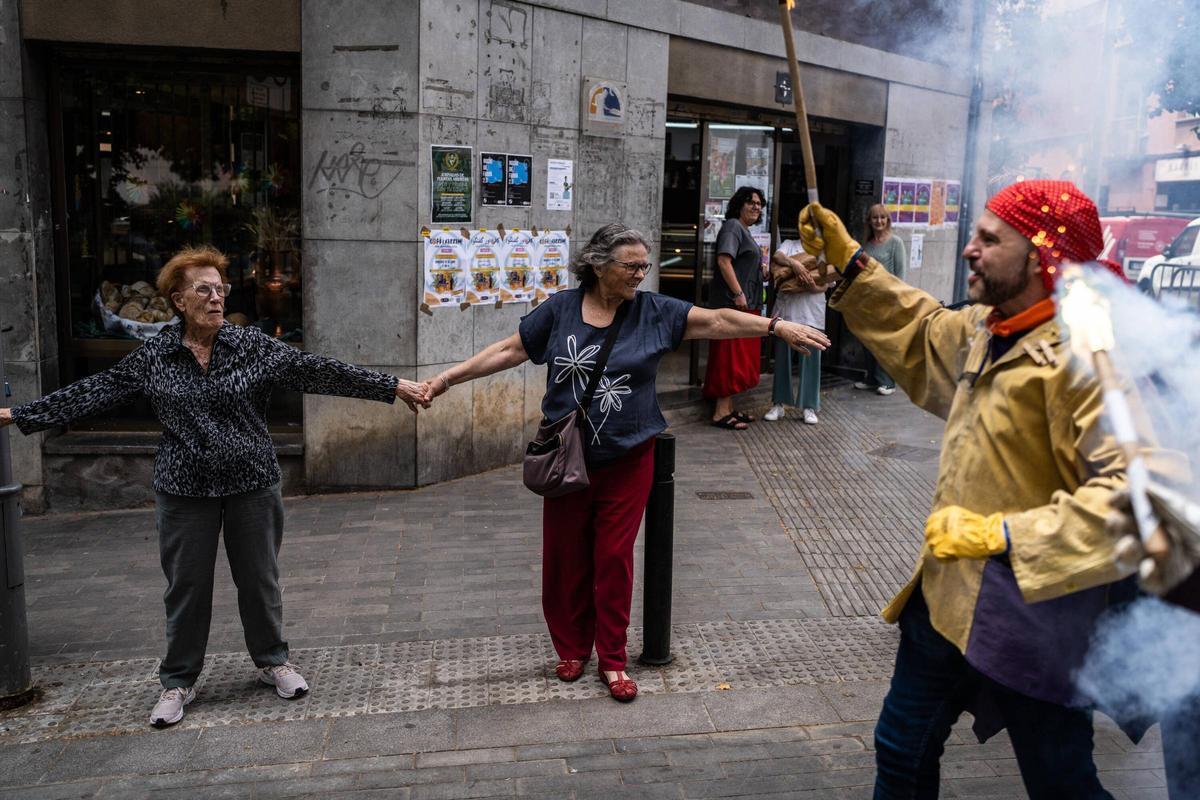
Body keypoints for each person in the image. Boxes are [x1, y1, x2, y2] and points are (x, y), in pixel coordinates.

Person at [800, 181, 1141, 799]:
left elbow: (1128, 501)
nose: (969, 249)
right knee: (901, 749)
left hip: (1035, 615)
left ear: (1041, 256)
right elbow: (923, 327)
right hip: (947, 596)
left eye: (990, 239)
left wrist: (1006, 534)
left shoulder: (1090, 360)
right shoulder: (988, 326)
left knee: (1061, 781)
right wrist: (852, 261)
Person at [0, 245, 429, 728]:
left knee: (259, 580)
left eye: (220, 288)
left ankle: (273, 661)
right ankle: (177, 681)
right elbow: (93, 391)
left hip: (252, 484)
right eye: (203, 289)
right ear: (178, 300)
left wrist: (391, 386)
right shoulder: (155, 355)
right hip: (184, 491)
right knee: (186, 588)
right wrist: (21, 414)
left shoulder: (253, 346)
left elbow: (319, 370)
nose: (215, 297)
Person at [420, 223, 828, 701]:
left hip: (629, 457)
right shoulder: (561, 310)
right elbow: (510, 350)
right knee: (564, 557)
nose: (641, 274)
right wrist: (446, 380)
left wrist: (776, 326)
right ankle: (571, 647)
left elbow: (717, 321)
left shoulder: (652, 312)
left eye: (644, 265)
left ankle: (612, 657)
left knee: (614, 559)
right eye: (631, 265)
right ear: (598, 265)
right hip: (566, 457)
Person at [705, 186, 768, 430]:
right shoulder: (732, 226)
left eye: (759, 204)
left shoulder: (746, 231)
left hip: (745, 305)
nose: (756, 207)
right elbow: (724, 260)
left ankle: (728, 408)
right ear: (739, 204)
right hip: (734, 306)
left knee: (738, 358)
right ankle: (720, 413)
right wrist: (738, 292)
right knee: (729, 358)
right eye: (750, 202)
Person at [764, 240, 828, 424]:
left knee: (811, 360)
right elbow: (777, 256)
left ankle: (810, 406)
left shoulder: (824, 250)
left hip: (811, 314)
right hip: (787, 313)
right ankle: (778, 403)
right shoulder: (789, 245)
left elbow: (826, 284)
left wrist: (809, 286)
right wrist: (796, 264)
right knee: (782, 361)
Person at [857, 203, 907, 396]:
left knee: (884, 342)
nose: (878, 221)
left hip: (888, 300)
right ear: (869, 220)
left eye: (882, 217)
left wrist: (896, 300)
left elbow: (900, 274)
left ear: (887, 220)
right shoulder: (867, 244)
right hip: (868, 301)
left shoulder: (895, 242)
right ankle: (871, 378)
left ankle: (887, 382)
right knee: (867, 340)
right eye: (875, 217)